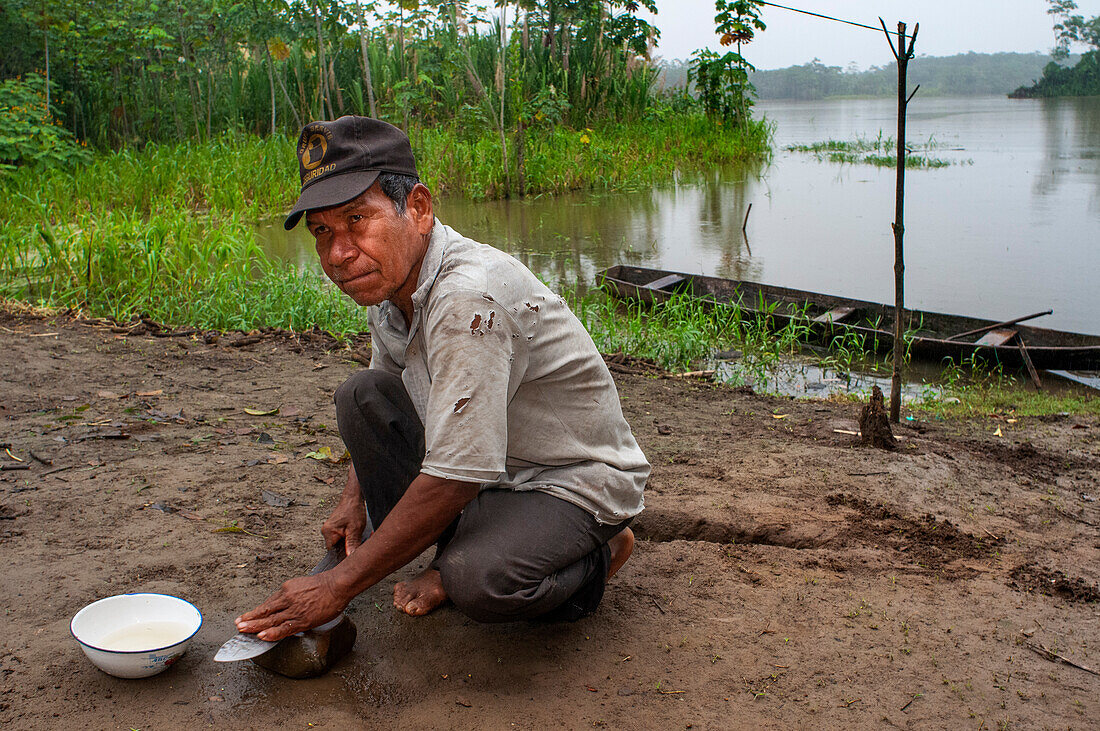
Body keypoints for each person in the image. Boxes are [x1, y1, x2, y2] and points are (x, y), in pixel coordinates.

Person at [235, 116, 649, 641]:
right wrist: (351, 501)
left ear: (419, 209)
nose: (339, 254)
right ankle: (463, 547)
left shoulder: (465, 300)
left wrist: (337, 586)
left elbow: (456, 474)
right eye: (323, 232)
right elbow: (389, 383)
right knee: (362, 396)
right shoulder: (390, 282)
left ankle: (598, 555)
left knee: (478, 581)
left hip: (569, 479)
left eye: (357, 219)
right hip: (488, 468)